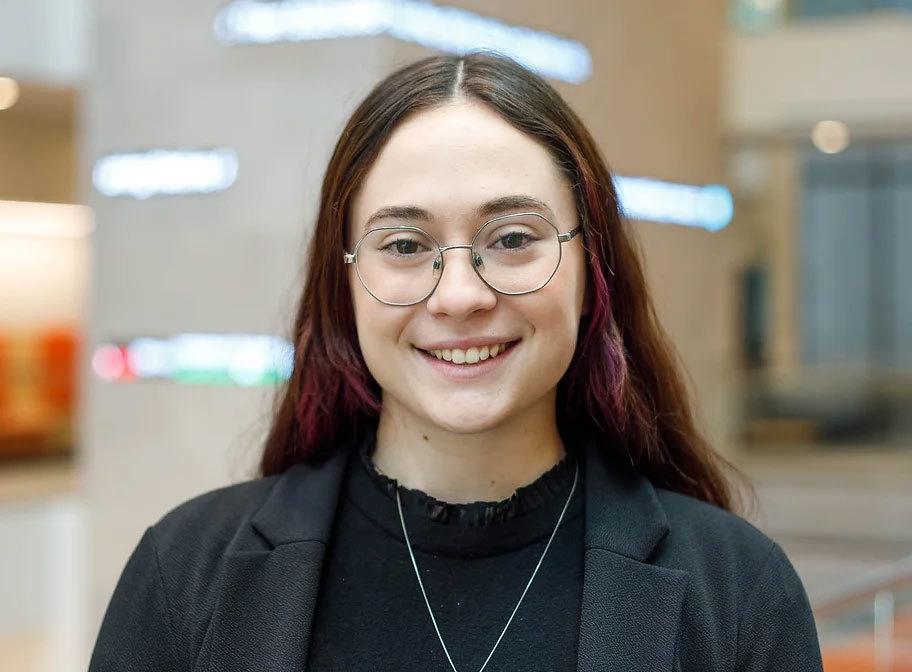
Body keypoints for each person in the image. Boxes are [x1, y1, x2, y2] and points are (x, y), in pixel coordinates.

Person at [87, 52, 824, 672]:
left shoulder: (740, 593)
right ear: (344, 285)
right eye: (406, 246)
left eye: (513, 239)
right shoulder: (185, 574)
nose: (461, 296)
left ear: (590, 272)